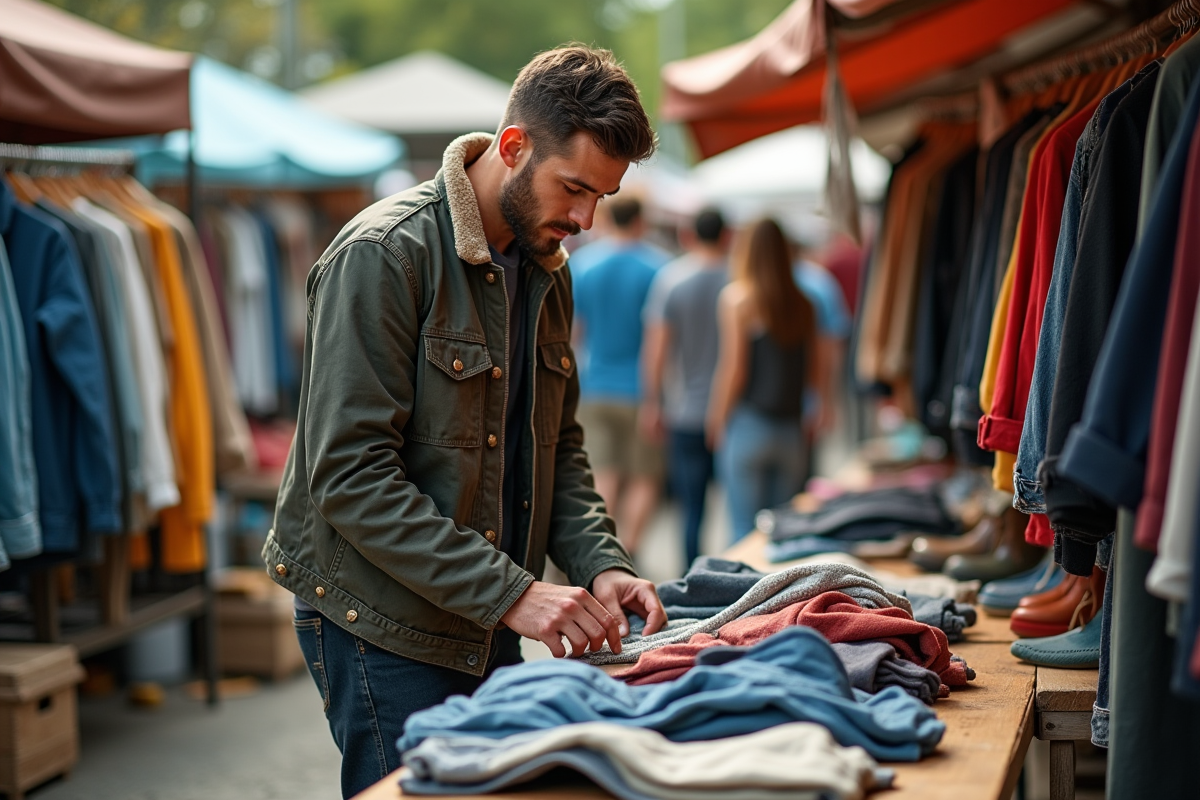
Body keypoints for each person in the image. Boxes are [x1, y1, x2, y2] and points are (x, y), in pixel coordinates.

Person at [263, 46, 667, 798]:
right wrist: (516, 594)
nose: (583, 219)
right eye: (574, 187)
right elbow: (348, 480)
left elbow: (558, 446)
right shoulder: (384, 254)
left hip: (483, 618)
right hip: (381, 624)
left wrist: (601, 565)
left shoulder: (549, 266)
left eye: (601, 199)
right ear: (514, 147)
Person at [707, 218, 818, 541]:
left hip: (749, 423)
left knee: (743, 531)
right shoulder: (804, 303)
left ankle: (747, 593)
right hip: (791, 427)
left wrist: (717, 418)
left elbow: (734, 369)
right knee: (782, 534)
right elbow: (814, 369)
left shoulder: (738, 299)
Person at [572, 197, 670, 555]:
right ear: (641, 220)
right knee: (645, 476)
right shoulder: (658, 267)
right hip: (642, 390)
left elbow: (575, 332)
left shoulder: (583, 264)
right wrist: (656, 398)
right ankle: (628, 549)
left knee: (604, 472)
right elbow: (660, 341)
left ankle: (602, 551)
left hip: (594, 386)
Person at [640, 207, 729, 569]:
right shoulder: (741, 279)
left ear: (690, 235)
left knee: (691, 507)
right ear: (727, 236)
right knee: (739, 506)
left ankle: (692, 575)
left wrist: (652, 403)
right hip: (733, 413)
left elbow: (656, 351)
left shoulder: (671, 280)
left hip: (685, 411)